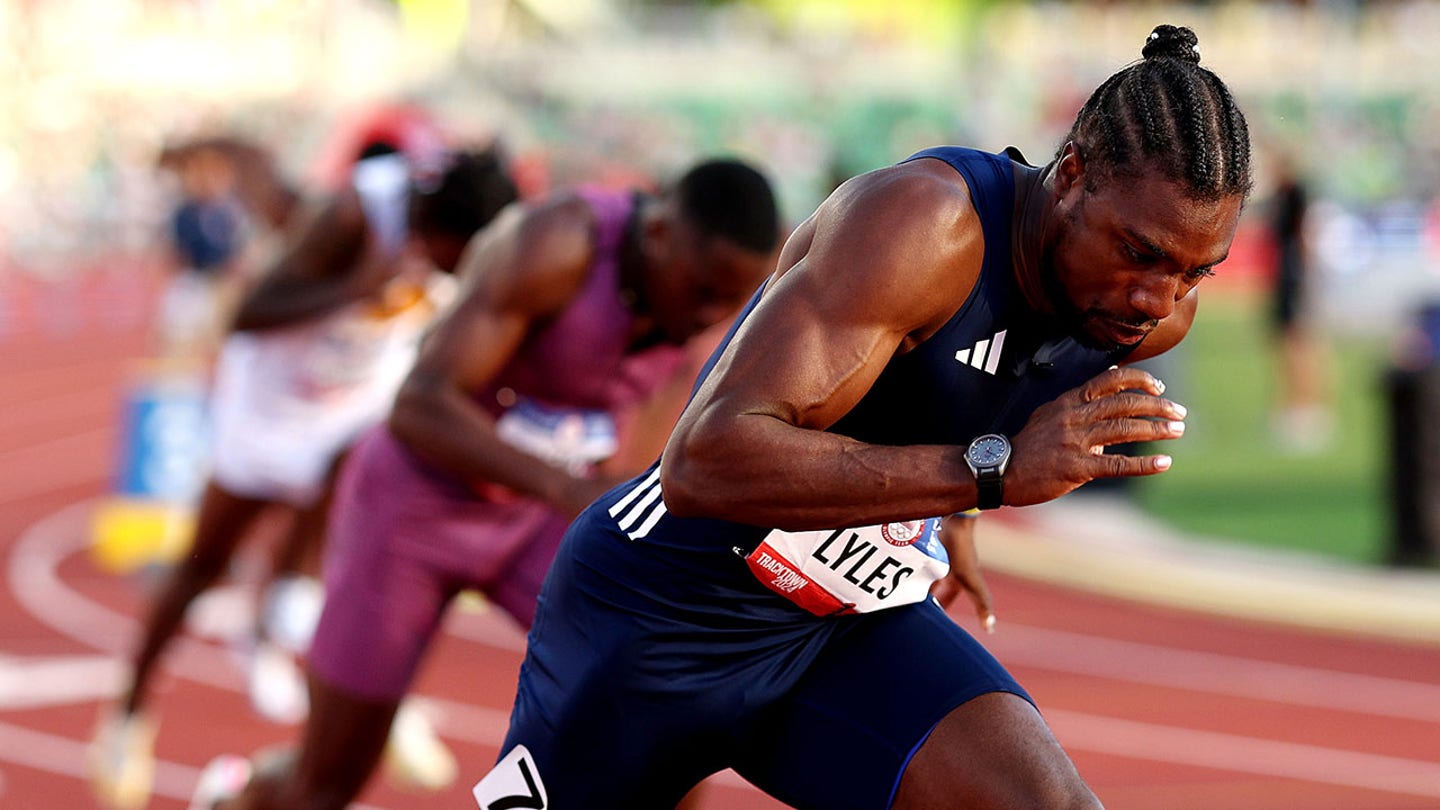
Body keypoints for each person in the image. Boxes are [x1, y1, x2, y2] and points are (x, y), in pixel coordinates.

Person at [478, 24, 1251, 810]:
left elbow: (968, 390)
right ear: (1074, 174)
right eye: (1140, 252)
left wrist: (953, 507)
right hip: (662, 612)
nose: (1157, 299)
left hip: (843, 629)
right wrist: (987, 473)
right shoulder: (922, 226)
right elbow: (705, 462)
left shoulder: (1150, 317)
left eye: (1196, 271)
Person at [190, 157, 786, 810]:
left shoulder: (715, 307)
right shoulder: (556, 245)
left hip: (531, 521)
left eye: (733, 299)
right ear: (662, 233)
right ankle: (236, 799)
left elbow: (640, 455)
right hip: (414, 510)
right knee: (326, 784)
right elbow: (417, 404)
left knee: (667, 704)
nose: (713, 314)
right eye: (703, 291)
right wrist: (565, 489)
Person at [88, 138, 520, 810]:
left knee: (371, 548)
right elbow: (248, 314)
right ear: (434, 230)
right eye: (454, 258)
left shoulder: (478, 242)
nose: (457, 272)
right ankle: (127, 716)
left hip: (353, 403)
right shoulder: (355, 215)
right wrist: (355, 287)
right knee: (204, 562)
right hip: (270, 402)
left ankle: (361, 689)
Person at [1266, 154, 1331, 452]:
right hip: (1285, 276)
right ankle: (1295, 409)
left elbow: (1304, 235)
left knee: (1299, 344)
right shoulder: (1282, 194)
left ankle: (1306, 411)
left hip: (1294, 277)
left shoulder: (1295, 194)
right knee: (1287, 345)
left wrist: (1305, 279)